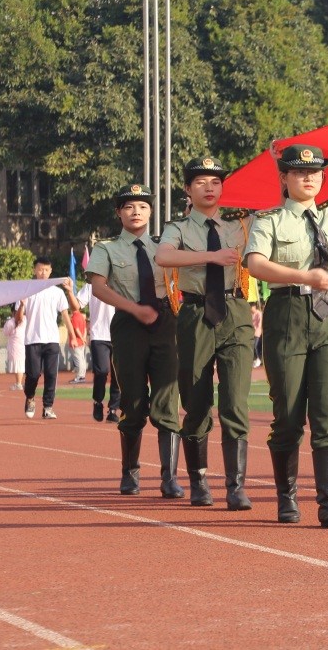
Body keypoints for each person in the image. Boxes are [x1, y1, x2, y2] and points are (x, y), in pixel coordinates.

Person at [245, 116, 328, 529]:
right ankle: (287, 498)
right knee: (287, 414)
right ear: (284, 177)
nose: (309, 178)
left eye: (315, 172)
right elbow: (254, 264)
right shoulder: (268, 220)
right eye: (299, 172)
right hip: (287, 313)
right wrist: (305, 276)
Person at [155, 156, 258, 511]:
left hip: (235, 311)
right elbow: (164, 257)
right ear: (188, 189)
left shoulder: (240, 224)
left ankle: (236, 486)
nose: (209, 188)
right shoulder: (179, 228)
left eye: (215, 182)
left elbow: (277, 202)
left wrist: (276, 164)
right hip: (196, 313)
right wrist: (210, 257)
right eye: (200, 182)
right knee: (196, 399)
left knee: (235, 400)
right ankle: (198, 478)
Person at [86, 184, 185, 498]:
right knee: (132, 400)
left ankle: (170, 477)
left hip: (166, 321)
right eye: (128, 207)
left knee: (168, 399)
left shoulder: (165, 246)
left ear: (151, 211)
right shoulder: (107, 249)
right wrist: (134, 309)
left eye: (142, 206)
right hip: (129, 324)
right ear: (119, 213)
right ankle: (130, 473)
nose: (136, 212)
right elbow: (98, 287)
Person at [14, 257, 78, 420]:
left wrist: (73, 336)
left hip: (51, 340)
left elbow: (65, 315)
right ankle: (30, 397)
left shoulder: (57, 293)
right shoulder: (26, 291)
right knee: (33, 374)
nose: (43, 273)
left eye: (46, 270)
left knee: (51, 375)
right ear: (34, 270)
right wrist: (21, 305)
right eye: (40, 269)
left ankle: (48, 407)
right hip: (32, 340)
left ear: (51, 272)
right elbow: (18, 319)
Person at [77, 281, 120, 422]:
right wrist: (69, 291)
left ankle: (113, 409)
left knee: (118, 375)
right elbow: (77, 304)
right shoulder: (91, 284)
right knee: (101, 371)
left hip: (119, 334)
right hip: (99, 334)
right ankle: (98, 401)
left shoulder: (121, 281)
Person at [3, 313, 25, 391]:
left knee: (18, 365)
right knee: (21, 365)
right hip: (25, 345)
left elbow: (5, 332)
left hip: (16, 346)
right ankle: (21, 383)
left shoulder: (11, 322)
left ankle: (19, 383)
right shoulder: (26, 320)